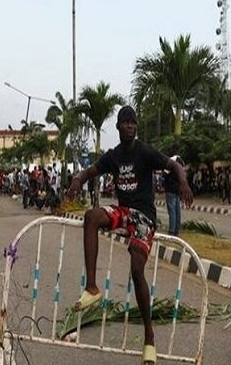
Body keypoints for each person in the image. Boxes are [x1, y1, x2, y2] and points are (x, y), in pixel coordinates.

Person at [66, 105, 193, 365]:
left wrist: (183, 182)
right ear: (118, 126)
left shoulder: (145, 152)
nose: (130, 126)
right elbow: (91, 171)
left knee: (137, 269)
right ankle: (91, 287)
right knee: (91, 217)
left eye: (133, 123)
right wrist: (77, 180)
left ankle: (149, 339)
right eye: (125, 122)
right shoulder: (113, 156)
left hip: (144, 216)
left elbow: (174, 165)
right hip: (124, 211)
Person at [163, 155, 185, 236]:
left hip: (170, 190)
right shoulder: (181, 165)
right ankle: (176, 231)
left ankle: (171, 231)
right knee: (177, 211)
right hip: (177, 190)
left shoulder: (171, 165)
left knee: (172, 212)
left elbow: (164, 174)